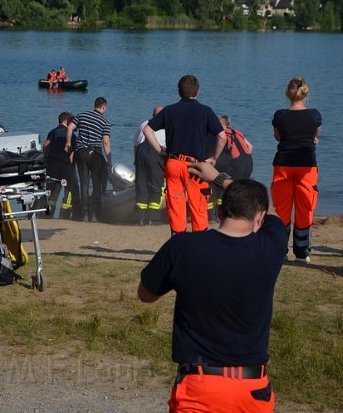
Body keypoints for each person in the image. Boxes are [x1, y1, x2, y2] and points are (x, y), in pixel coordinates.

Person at [138, 162, 287, 413]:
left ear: (219, 212)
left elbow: (145, 294)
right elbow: (273, 215)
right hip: (251, 389)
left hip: (199, 387)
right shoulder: (271, 248)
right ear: (259, 218)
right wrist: (221, 179)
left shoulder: (183, 247)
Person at [144, 75, 226, 234]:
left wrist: (160, 151)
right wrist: (214, 158)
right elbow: (222, 136)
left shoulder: (169, 110)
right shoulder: (205, 111)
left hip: (173, 163)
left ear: (179, 92)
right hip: (194, 166)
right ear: (198, 92)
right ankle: (200, 243)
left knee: (175, 206)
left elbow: (147, 130)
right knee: (198, 207)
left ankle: (178, 241)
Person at [271, 77, 322, 262]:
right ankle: (301, 252)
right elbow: (316, 134)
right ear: (306, 94)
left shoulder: (279, 115)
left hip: (283, 164)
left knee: (282, 209)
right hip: (306, 166)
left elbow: (278, 136)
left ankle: (280, 250)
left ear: (288, 94)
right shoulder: (314, 115)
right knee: (305, 208)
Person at [65, 97, 112, 222]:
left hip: (80, 153)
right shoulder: (105, 121)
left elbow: (69, 128)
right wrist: (109, 160)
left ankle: (84, 214)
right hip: (95, 153)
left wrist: (68, 142)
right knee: (96, 184)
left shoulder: (82, 115)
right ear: (103, 107)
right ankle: (94, 215)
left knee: (84, 184)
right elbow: (106, 142)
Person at [43, 112, 79, 218]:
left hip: (53, 164)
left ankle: (48, 215)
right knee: (69, 192)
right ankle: (64, 216)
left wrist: (46, 156)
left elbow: (46, 146)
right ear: (65, 120)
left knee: (52, 192)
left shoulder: (53, 132)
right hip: (66, 166)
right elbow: (75, 149)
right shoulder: (71, 134)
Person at [134, 107, 166, 225]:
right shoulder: (166, 126)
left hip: (140, 154)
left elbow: (135, 144)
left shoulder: (144, 124)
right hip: (156, 153)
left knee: (141, 185)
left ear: (152, 114)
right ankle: (153, 218)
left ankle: (139, 218)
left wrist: (136, 161)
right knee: (156, 186)